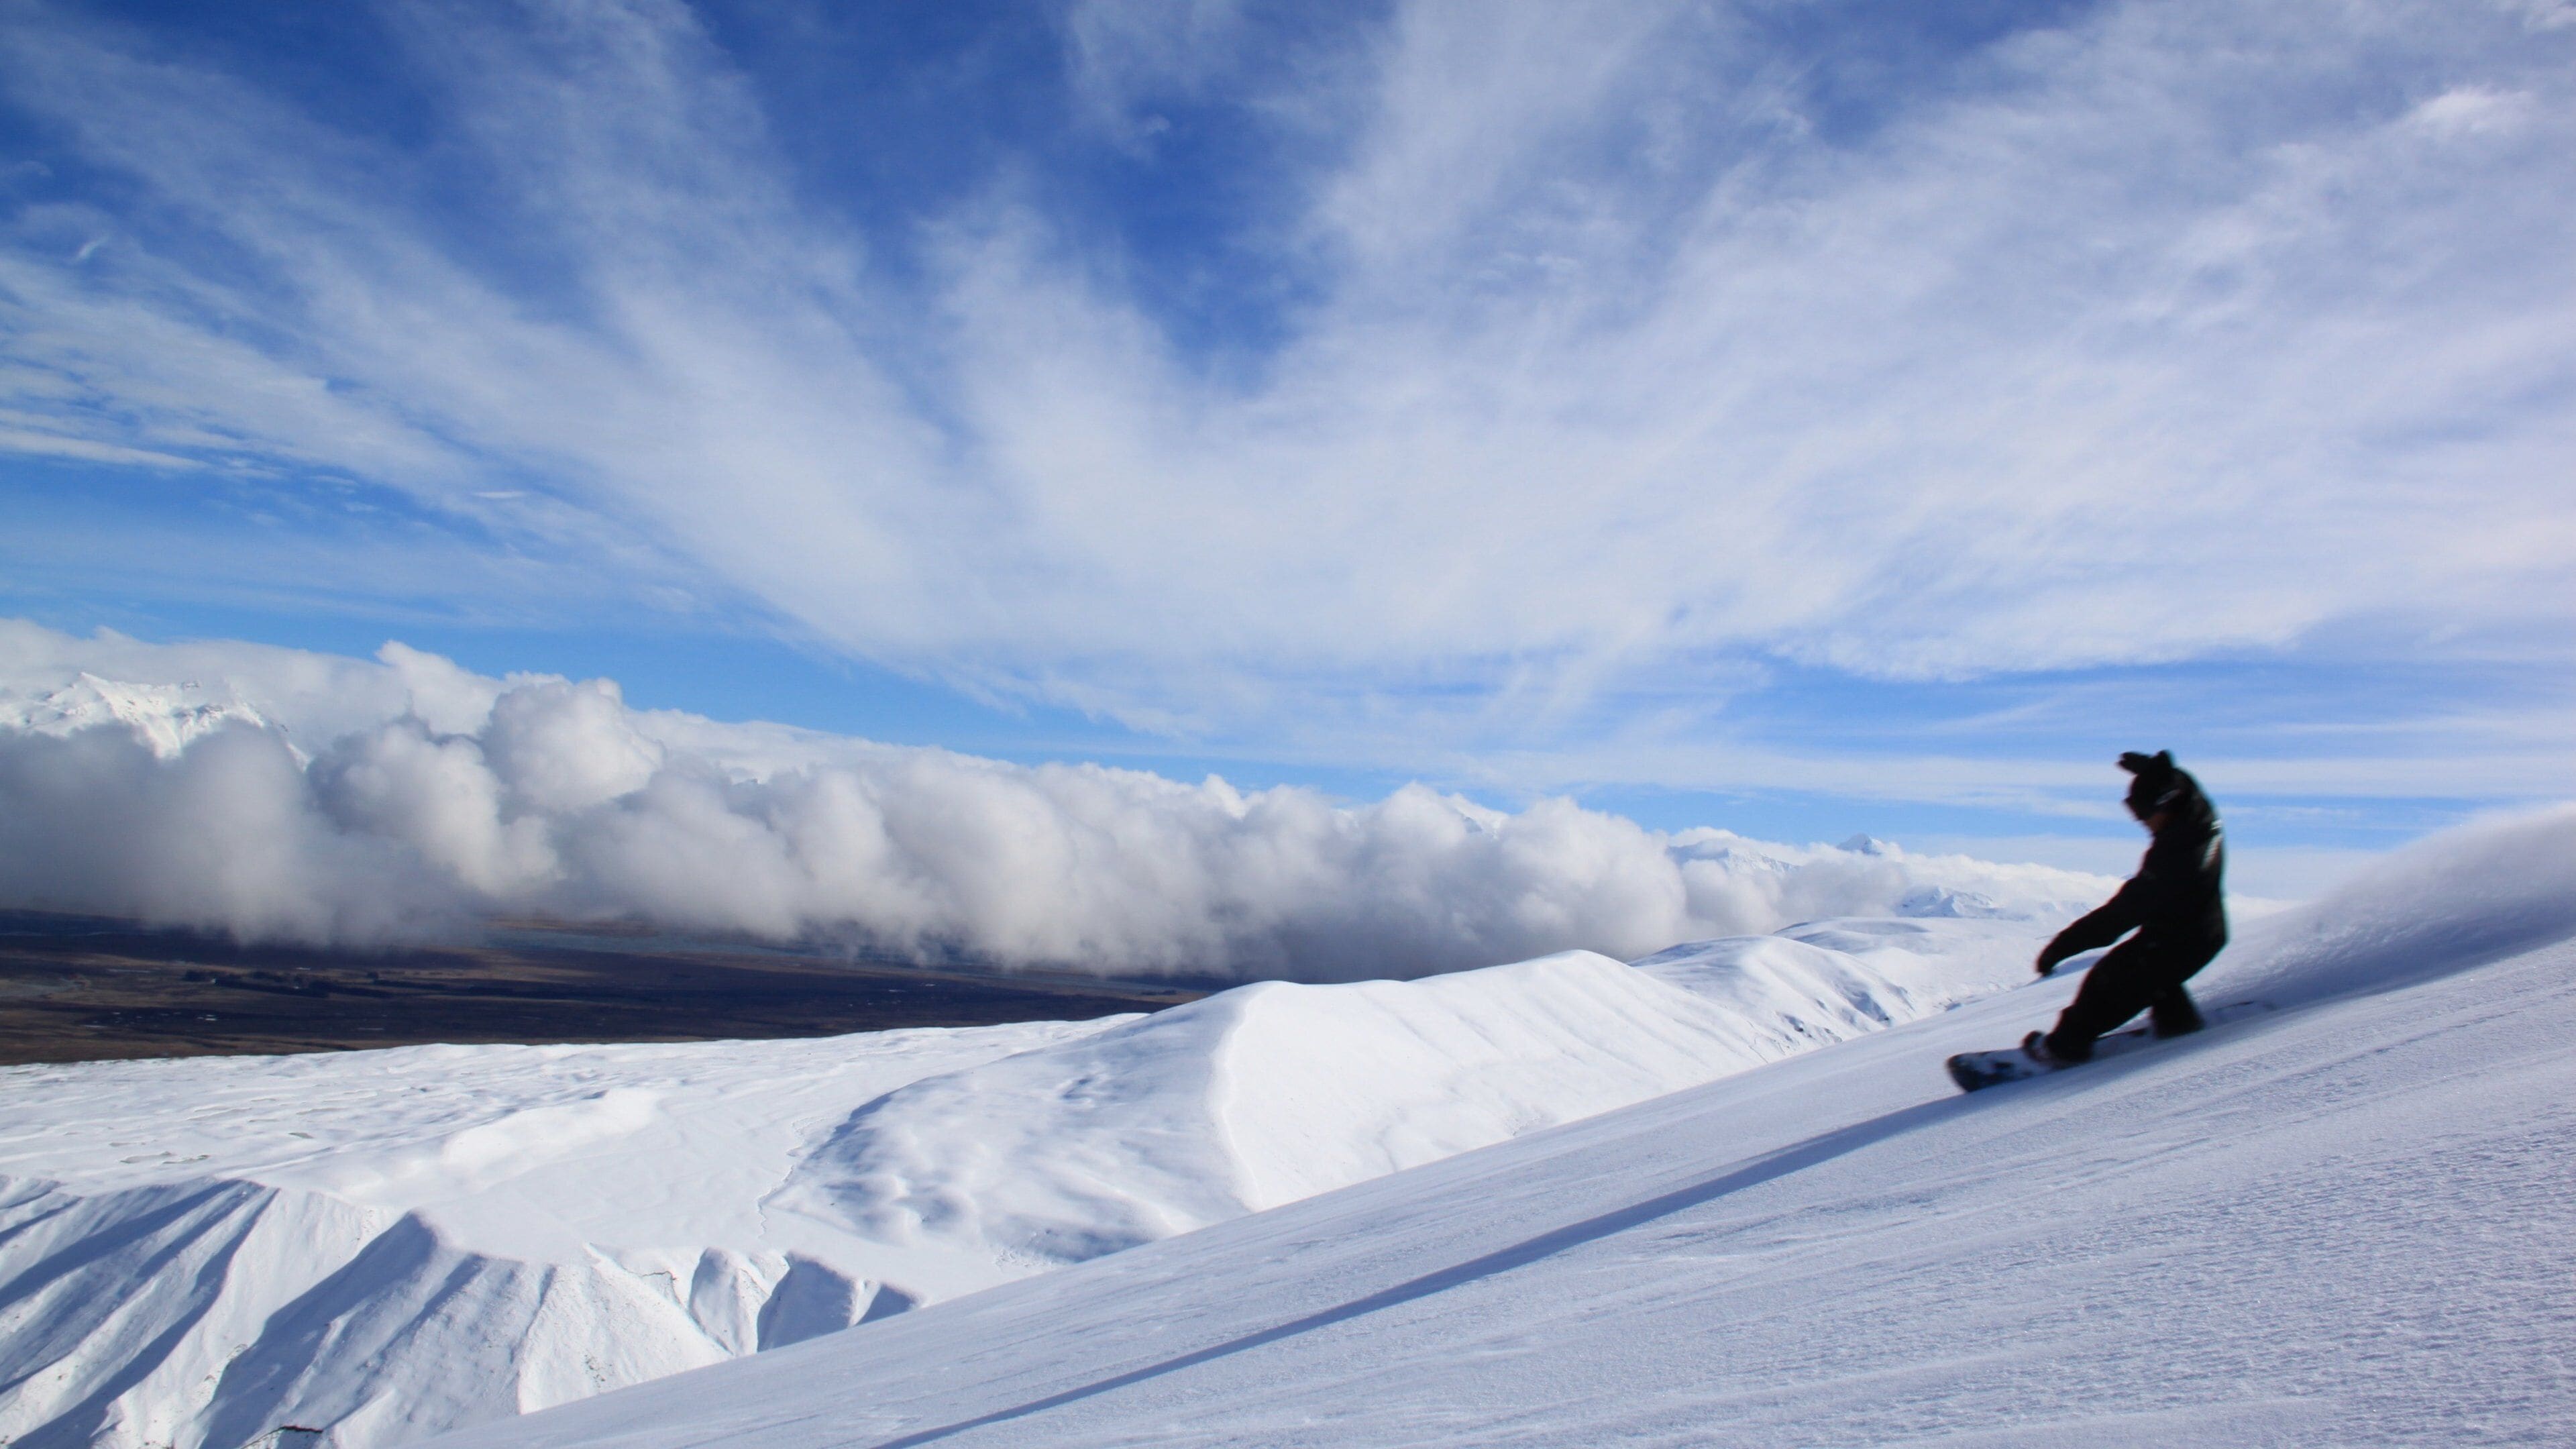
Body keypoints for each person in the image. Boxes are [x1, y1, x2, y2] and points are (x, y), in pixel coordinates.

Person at [2025, 750, 2227, 1065]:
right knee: (2154, 973)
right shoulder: (2196, 813)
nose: (2140, 821)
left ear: (2165, 805)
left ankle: (2065, 1048)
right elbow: (2185, 783)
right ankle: (2179, 1022)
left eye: (2144, 813)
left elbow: (2119, 916)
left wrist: (2062, 946)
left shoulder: (2176, 859)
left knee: (2111, 980)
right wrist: (2155, 770)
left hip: (2183, 939)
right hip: (2199, 930)